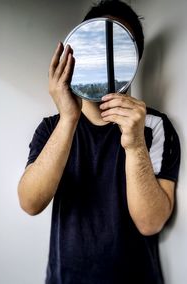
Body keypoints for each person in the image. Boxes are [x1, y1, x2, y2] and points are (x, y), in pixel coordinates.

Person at [18, 1, 181, 283]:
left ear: (134, 60)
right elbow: (30, 202)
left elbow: (151, 223)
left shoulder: (156, 127)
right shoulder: (51, 128)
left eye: (121, 45)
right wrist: (69, 118)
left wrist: (135, 144)